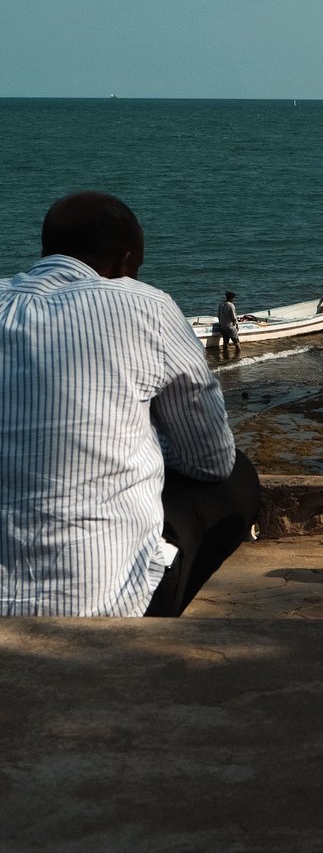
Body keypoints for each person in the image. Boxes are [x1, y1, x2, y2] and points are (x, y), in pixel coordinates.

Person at [0, 191, 262, 618]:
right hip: (101, 604)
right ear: (125, 262)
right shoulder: (146, 306)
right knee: (237, 477)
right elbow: (210, 460)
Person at [217, 289, 241, 354]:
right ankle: (238, 355)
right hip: (230, 327)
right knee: (236, 342)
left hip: (223, 327)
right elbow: (234, 317)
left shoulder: (221, 305)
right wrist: (236, 325)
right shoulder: (231, 305)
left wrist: (221, 323)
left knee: (225, 342)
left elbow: (218, 316)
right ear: (231, 298)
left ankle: (225, 355)